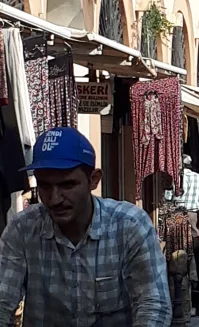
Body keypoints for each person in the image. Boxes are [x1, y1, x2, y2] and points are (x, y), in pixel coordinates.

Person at [0, 127, 171, 326]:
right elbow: (3, 301)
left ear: (93, 180)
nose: (55, 199)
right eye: (45, 186)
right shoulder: (22, 229)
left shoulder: (130, 225)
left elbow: (153, 304)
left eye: (67, 185)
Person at [174, 154, 199, 235]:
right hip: (192, 213)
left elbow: (168, 196)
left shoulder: (176, 177)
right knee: (193, 237)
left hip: (178, 212)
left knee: (178, 238)